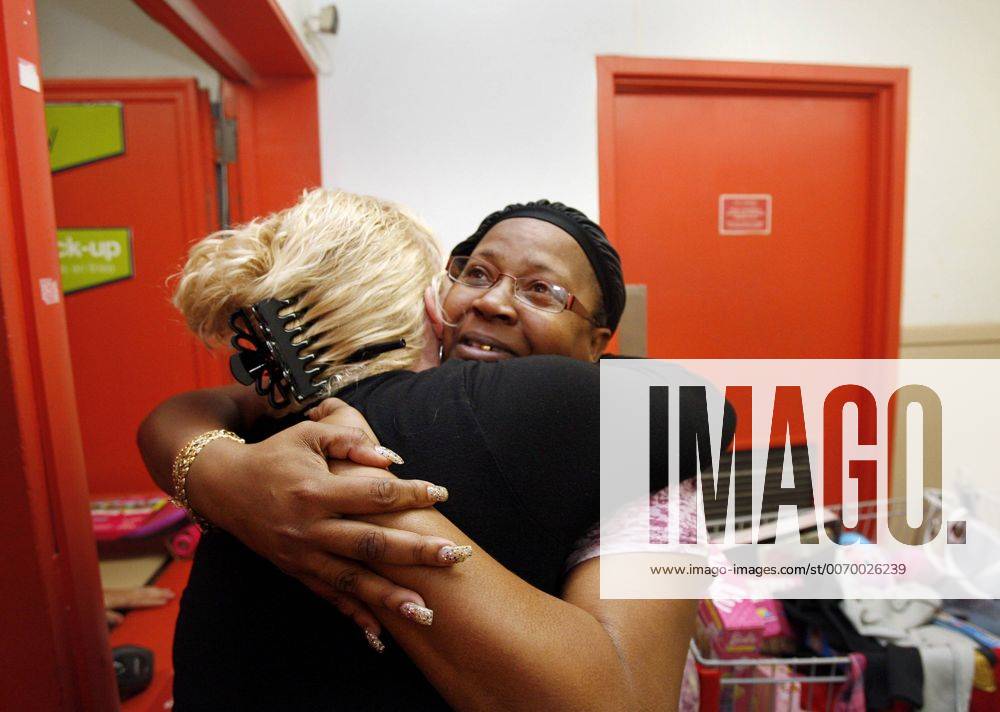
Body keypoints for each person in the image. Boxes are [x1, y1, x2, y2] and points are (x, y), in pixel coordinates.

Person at [139, 190, 702, 710]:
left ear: (597, 346)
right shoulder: (287, 437)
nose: (493, 302)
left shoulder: (639, 464)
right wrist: (221, 469)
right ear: (435, 303)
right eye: (476, 273)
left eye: (541, 290)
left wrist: (210, 464)